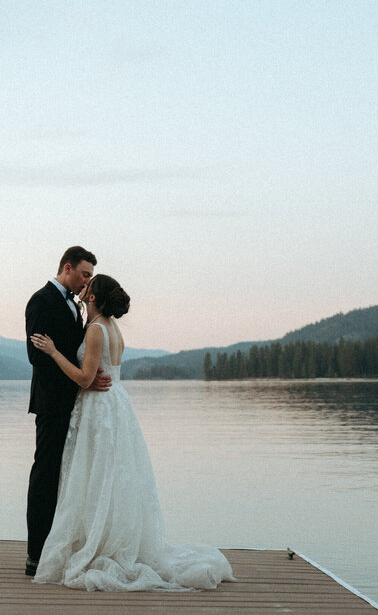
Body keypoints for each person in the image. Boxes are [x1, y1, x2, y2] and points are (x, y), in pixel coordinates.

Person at [29, 274, 235, 591]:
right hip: (115, 405)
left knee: (98, 477)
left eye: (88, 286)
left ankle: (101, 544)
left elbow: (85, 379)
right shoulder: (112, 328)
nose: (83, 289)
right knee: (109, 477)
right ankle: (107, 539)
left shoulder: (97, 330)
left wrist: (55, 352)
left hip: (100, 408)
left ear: (94, 298)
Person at [24, 246, 111, 576]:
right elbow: (37, 357)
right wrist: (81, 382)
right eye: (84, 274)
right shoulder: (41, 301)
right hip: (51, 403)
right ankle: (35, 555)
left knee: (68, 478)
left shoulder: (76, 307)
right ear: (68, 267)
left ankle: (59, 548)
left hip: (74, 404)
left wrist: (87, 377)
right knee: (45, 475)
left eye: (90, 276)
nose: (87, 281)